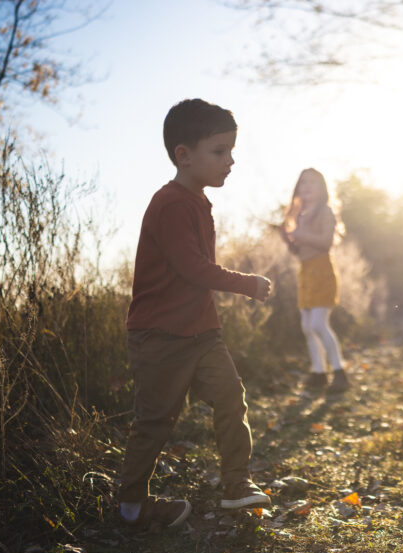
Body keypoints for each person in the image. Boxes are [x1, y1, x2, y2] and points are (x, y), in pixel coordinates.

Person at [119, 98, 274, 529]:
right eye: (220, 151)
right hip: (160, 335)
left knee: (230, 395)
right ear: (183, 156)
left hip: (202, 332)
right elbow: (191, 267)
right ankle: (131, 505)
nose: (231, 161)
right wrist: (245, 283)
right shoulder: (170, 203)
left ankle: (236, 485)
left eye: (232, 151)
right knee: (155, 420)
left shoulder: (198, 201)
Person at [276, 168, 350, 396]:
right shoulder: (300, 215)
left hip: (322, 271)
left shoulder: (325, 212)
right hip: (306, 272)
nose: (306, 187)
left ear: (322, 189)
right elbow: (299, 253)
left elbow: (326, 243)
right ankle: (319, 373)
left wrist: (299, 235)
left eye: (312, 183)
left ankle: (339, 372)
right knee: (307, 327)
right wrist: (287, 239)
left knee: (319, 323)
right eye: (302, 183)